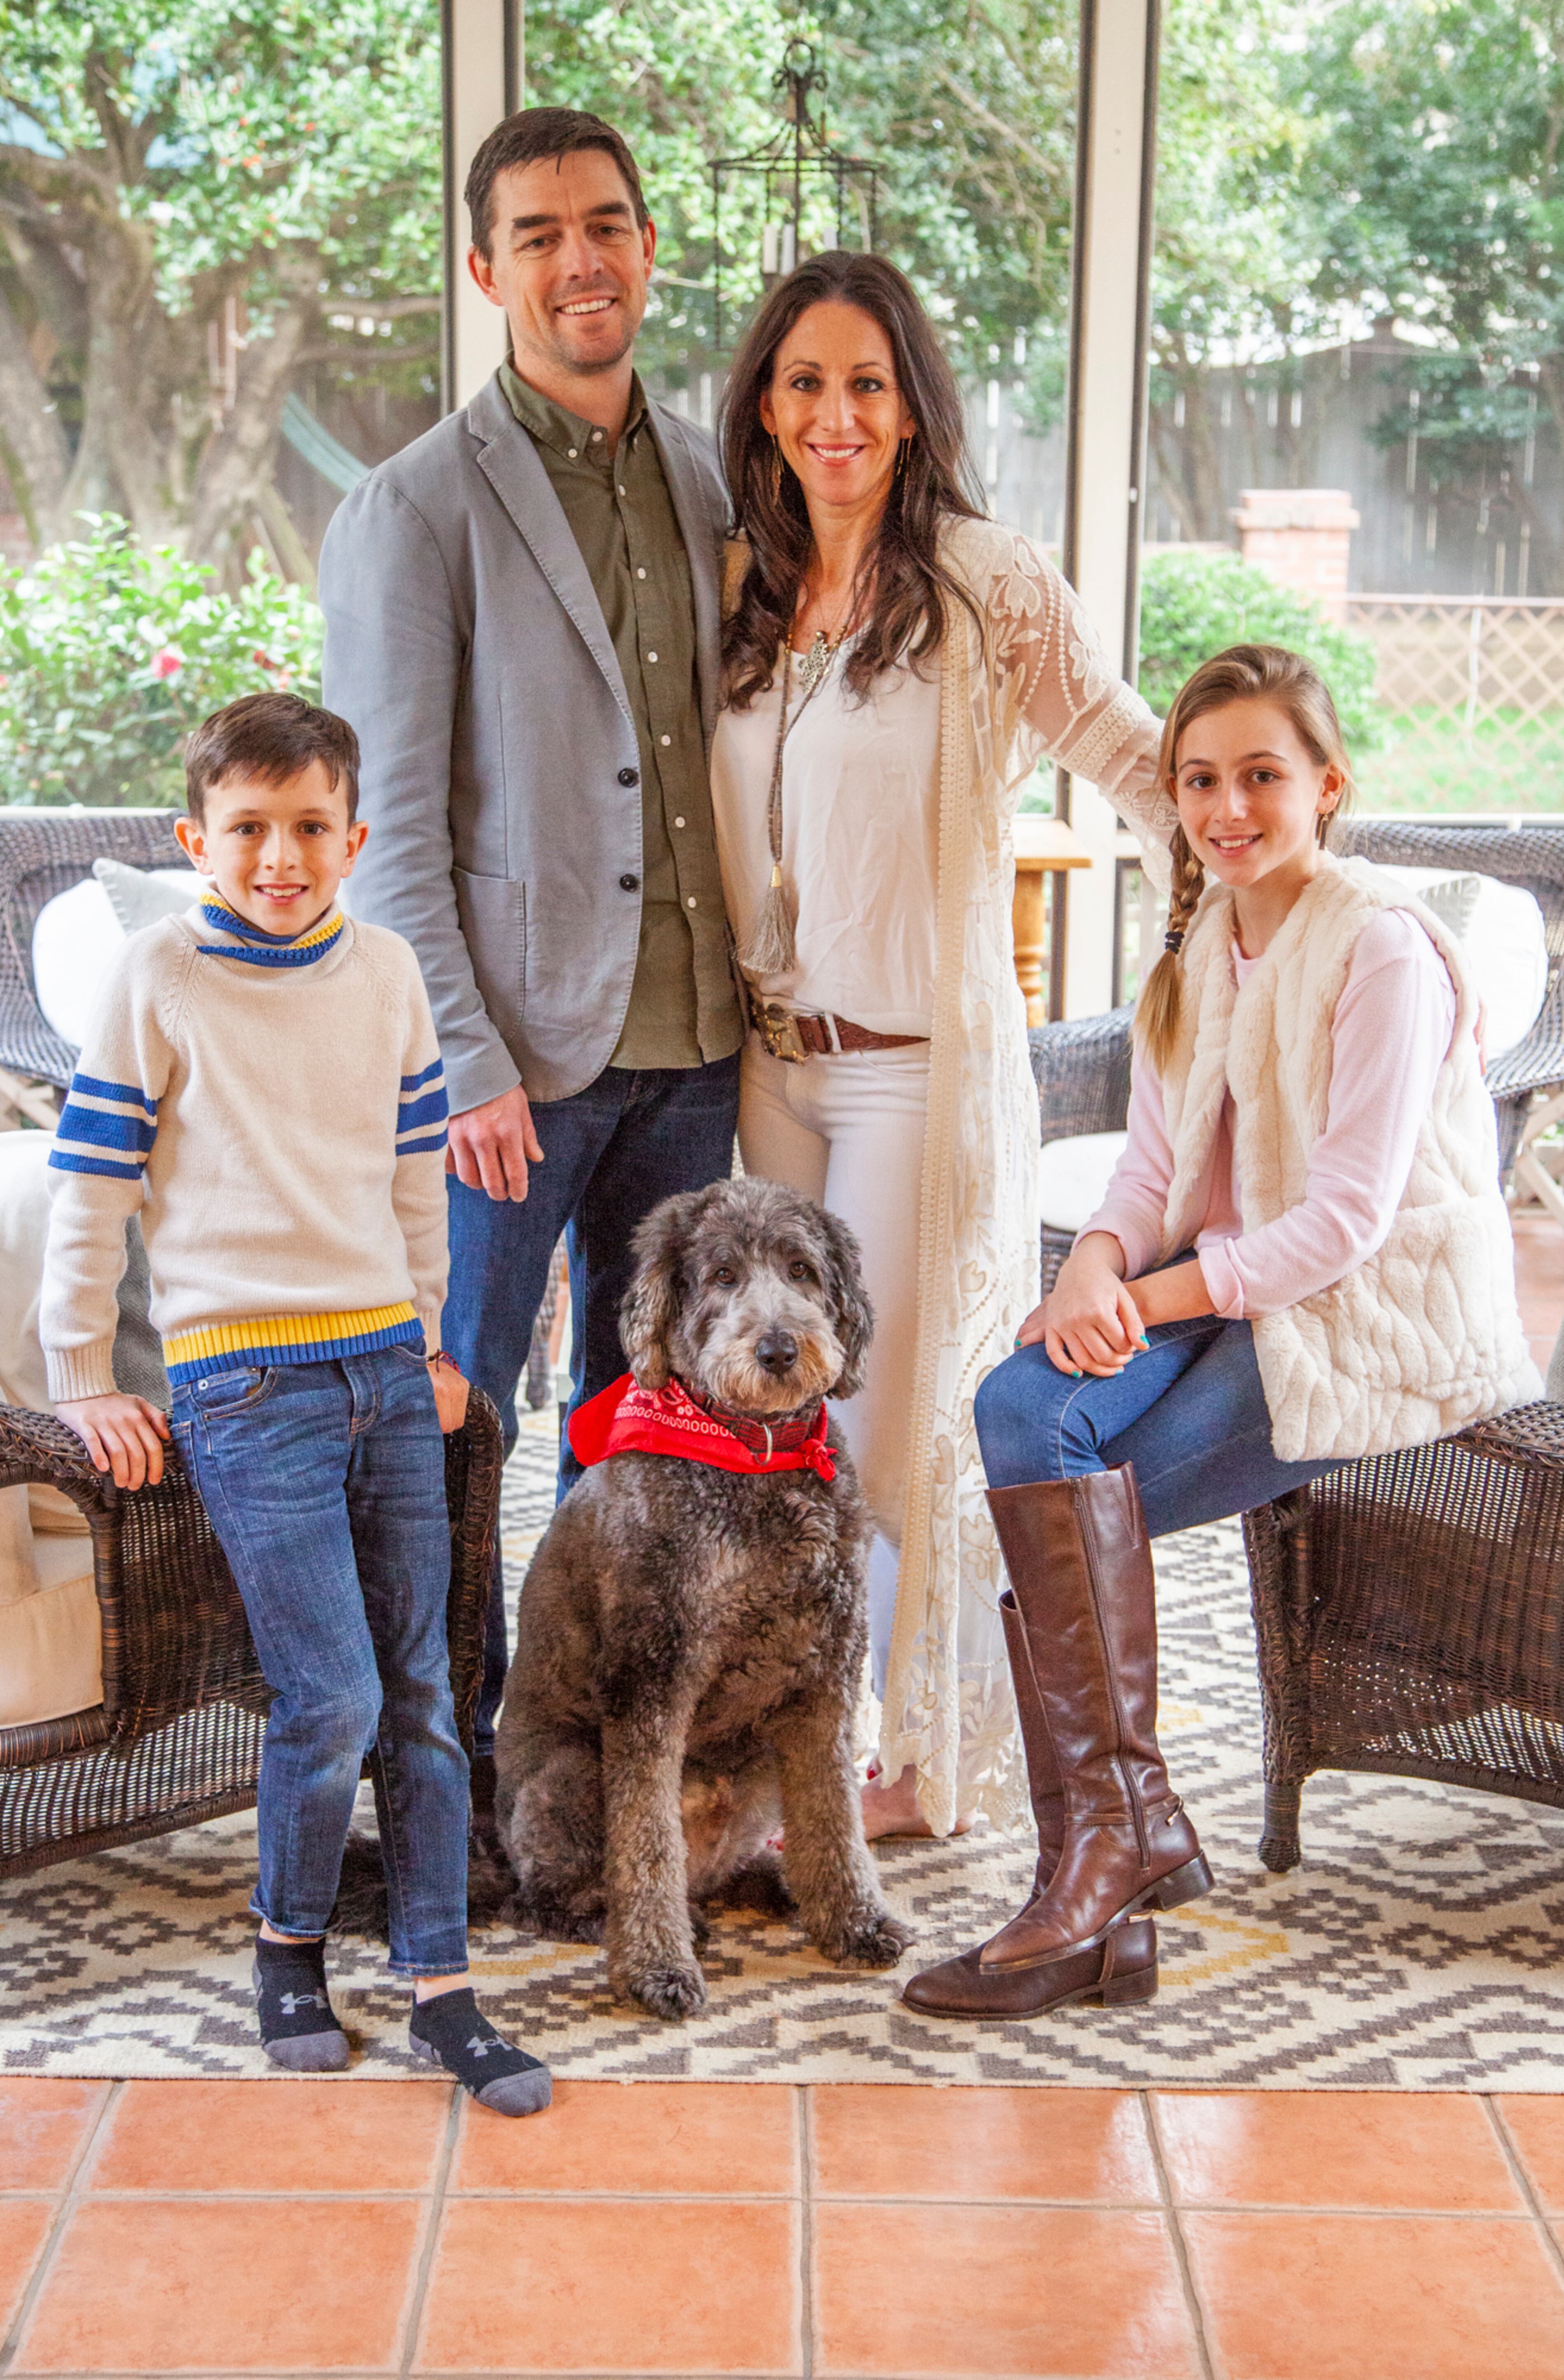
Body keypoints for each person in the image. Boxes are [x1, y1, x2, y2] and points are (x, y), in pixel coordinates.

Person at [903, 642, 1541, 2018]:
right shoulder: (1201, 945)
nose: (1227, 808)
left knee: (1065, 1504)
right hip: (1234, 1285)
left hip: (1369, 1321)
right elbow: (1149, 1173)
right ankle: (1114, 1875)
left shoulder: (1379, 951)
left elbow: (1346, 1226)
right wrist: (1097, 1271)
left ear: (1327, 785)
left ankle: (1098, 1867)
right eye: (1200, 780)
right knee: (1023, 1412)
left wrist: (1145, 1297)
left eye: (1262, 775)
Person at [709, 250, 1176, 1840]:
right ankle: (802, 1740)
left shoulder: (983, 579)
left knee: (883, 1417)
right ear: (764, 409)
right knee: (772, 1424)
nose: (835, 416)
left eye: (866, 386)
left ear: (911, 410)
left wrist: (1262, 848)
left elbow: (1125, 746)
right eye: (804, 385)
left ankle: (911, 1760)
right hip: (771, 1070)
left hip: (916, 1067)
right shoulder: (744, 586)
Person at [318, 107, 741, 1824]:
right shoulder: (412, 509)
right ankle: (432, 1782)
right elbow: (390, 829)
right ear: (488, 268)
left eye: (611, 224)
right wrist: (465, 1065)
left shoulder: (716, 473)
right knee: (451, 1426)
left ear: (648, 250)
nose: (583, 257)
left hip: (700, 1046)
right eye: (543, 231)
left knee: (635, 1436)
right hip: (508, 1067)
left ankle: (584, 1765)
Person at [39, 692, 550, 2112]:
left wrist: (442, 1346)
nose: (281, 856)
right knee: (328, 1693)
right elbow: (92, 1190)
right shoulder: (157, 978)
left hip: (386, 1368)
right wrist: (83, 1374)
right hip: (241, 1381)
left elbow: (413, 1175)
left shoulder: (387, 974)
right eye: (250, 829)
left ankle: (441, 1985)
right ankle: (287, 1948)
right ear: (199, 839)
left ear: (354, 838)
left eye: (310, 828)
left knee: (429, 1691)